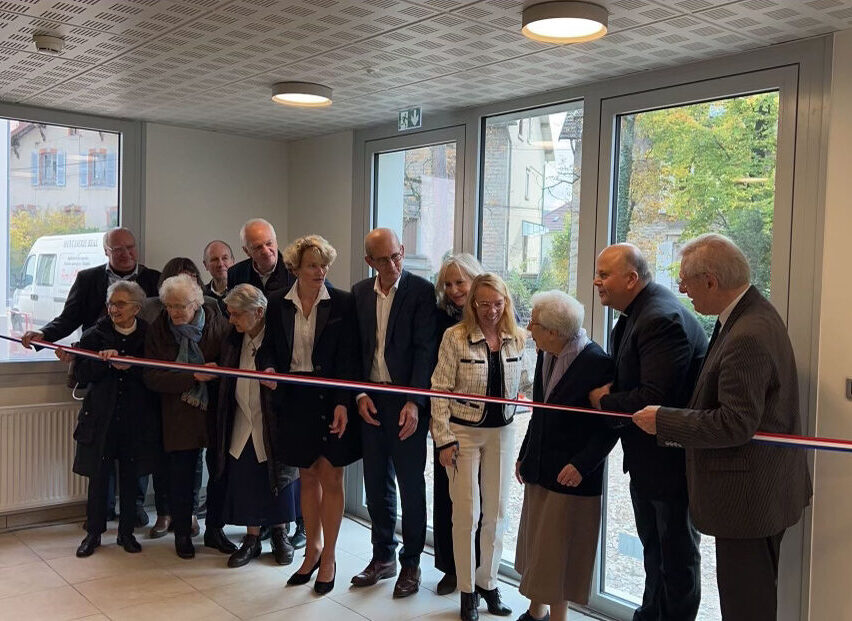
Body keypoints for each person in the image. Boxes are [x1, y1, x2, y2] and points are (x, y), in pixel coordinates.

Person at [633, 234, 812, 621]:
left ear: (711, 281)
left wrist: (663, 419)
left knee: (746, 606)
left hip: (748, 501)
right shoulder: (750, 315)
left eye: (686, 280)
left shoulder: (748, 334)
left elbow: (735, 423)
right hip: (760, 492)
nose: (681, 289)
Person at [589, 243, 707, 621]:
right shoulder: (636, 312)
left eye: (604, 274)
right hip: (650, 464)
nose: (596, 281)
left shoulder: (659, 318)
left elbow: (655, 400)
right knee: (655, 554)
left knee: (676, 562)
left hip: (670, 465)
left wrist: (603, 401)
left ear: (631, 278)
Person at [22, 227, 160, 530]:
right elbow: (68, 317)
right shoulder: (88, 279)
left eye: (130, 247)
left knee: (134, 451)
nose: (125, 253)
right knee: (102, 449)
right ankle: (102, 511)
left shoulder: (154, 278)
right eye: (117, 249)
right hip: (101, 379)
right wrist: (44, 335)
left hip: (139, 384)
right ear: (106, 251)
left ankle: (133, 508)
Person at [262, 235, 360, 594]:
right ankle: (313, 549)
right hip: (294, 399)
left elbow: (350, 358)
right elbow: (269, 349)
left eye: (324, 265)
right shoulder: (277, 304)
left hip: (330, 397)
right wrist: (269, 370)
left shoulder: (343, 303)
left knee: (331, 475)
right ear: (296, 269)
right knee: (306, 475)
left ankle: (330, 557)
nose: (320, 272)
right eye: (312, 266)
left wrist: (341, 402)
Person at [430, 272, 531, 621]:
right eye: (484, 304)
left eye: (498, 304)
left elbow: (528, 382)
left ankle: (489, 582)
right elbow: (439, 390)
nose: (491, 311)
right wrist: (443, 439)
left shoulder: (516, 338)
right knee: (466, 515)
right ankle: (467, 590)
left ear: (506, 304)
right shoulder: (454, 337)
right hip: (463, 433)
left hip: (502, 433)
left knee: (497, 514)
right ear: (473, 303)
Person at [515, 291, 616, 621]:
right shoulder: (547, 353)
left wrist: (582, 465)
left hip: (572, 476)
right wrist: (525, 453)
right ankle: (536, 612)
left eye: (534, 323)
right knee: (538, 548)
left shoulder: (597, 363)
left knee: (560, 555)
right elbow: (539, 413)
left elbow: (610, 427)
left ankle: (557, 618)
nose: (528, 328)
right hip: (541, 467)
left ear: (553, 332)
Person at [350, 228, 438, 598]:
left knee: (411, 486)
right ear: (369, 261)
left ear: (402, 251)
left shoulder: (420, 291)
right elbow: (355, 349)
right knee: (376, 482)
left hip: (407, 401)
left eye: (396, 256)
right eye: (383, 259)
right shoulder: (358, 293)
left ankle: (412, 563)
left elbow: (425, 350)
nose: (392, 264)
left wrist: (415, 402)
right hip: (372, 399)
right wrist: (358, 394)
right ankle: (382, 556)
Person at [139, 257, 230, 553]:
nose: (175, 313)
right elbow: (151, 376)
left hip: (213, 411)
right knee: (179, 476)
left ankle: (215, 530)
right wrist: (192, 375)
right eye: (170, 306)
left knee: (218, 473)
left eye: (182, 306)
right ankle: (182, 534)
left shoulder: (218, 323)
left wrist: (216, 371)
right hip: (177, 413)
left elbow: (232, 363)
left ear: (197, 304)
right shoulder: (159, 329)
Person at [227, 218, 306, 548]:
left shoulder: (292, 274)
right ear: (246, 250)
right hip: (249, 351)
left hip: (281, 363)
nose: (267, 250)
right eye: (258, 246)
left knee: (283, 462)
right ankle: (255, 535)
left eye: (270, 243)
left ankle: (286, 529)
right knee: (249, 463)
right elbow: (233, 315)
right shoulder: (237, 274)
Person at [72, 281, 161, 557]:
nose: (114, 309)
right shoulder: (93, 335)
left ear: (137, 307)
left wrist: (131, 365)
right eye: (111, 303)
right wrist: (102, 362)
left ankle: (126, 533)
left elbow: (155, 376)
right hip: (101, 418)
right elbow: (81, 376)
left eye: (121, 304)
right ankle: (94, 533)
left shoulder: (150, 335)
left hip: (137, 418)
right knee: (99, 477)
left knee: (132, 478)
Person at [215, 284, 297, 569]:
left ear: (258, 312)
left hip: (273, 421)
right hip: (241, 418)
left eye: (237, 314)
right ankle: (251, 539)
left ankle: (280, 534)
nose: (231, 320)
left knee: (279, 478)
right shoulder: (233, 339)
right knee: (247, 477)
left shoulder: (279, 337)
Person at [433, 253, 484, 596]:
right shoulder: (441, 320)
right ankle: (451, 567)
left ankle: (479, 571)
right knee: (448, 497)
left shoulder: (493, 315)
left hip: (485, 427)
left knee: (481, 501)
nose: (453, 290)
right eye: (448, 284)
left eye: (460, 282)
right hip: (449, 423)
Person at [202, 240, 235, 313]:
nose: (220, 264)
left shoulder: (243, 292)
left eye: (225, 258)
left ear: (232, 261)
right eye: (214, 259)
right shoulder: (200, 296)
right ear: (205, 265)